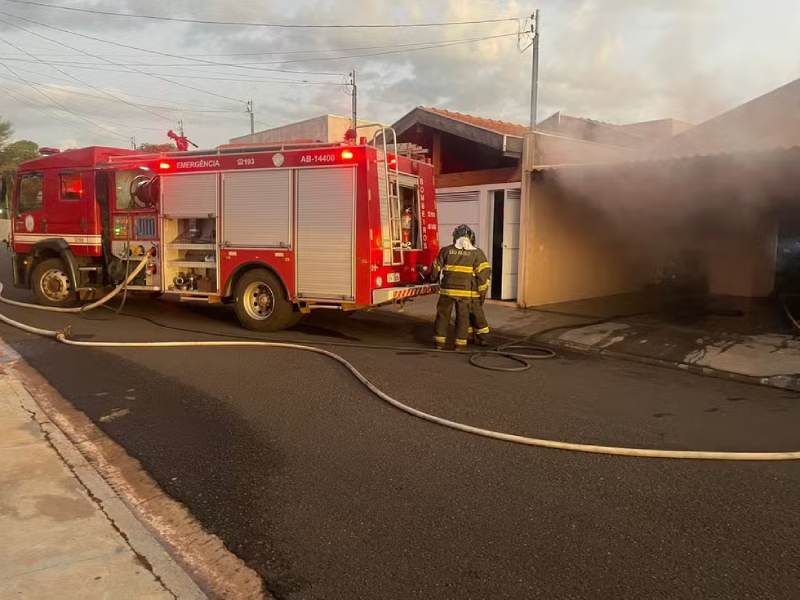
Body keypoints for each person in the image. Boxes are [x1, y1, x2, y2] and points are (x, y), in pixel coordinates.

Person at [430, 224, 492, 350]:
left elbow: (436, 267)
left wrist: (433, 280)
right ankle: (460, 345)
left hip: (447, 291)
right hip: (465, 292)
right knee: (463, 317)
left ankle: (439, 343)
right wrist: (481, 293)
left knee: (442, 316)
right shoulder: (477, 253)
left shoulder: (446, 250)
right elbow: (483, 275)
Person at [467, 228, 491, 346]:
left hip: (474, 291)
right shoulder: (460, 253)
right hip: (464, 292)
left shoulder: (477, 253)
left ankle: (483, 337)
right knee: (464, 315)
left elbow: (483, 274)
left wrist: (481, 292)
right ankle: (469, 335)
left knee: (477, 315)